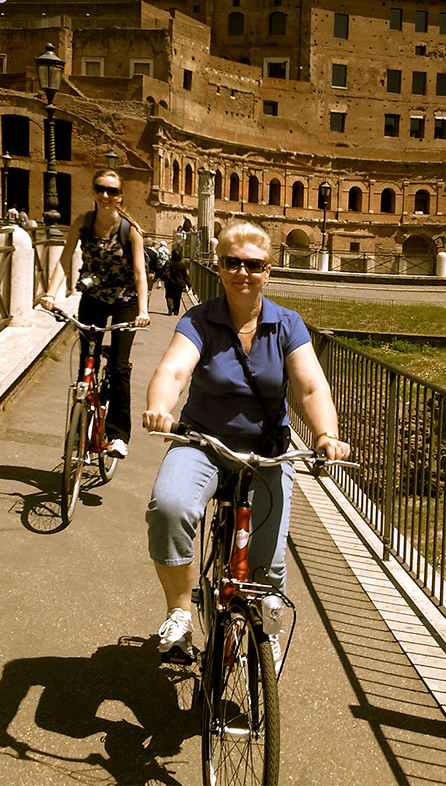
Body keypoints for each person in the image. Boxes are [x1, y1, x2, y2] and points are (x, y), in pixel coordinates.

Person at [143, 220, 349, 660]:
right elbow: (174, 370)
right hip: (202, 442)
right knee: (170, 507)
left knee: (267, 563)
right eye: (232, 263)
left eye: (253, 265)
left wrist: (326, 434)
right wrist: (161, 407)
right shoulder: (200, 320)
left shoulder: (287, 324)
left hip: (267, 453)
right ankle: (179, 613)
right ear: (218, 267)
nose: (242, 272)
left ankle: (264, 633)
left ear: (268, 271)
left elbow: (311, 387)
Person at [41, 168, 150, 459]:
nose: (105, 195)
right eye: (100, 188)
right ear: (93, 191)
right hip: (93, 298)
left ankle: (118, 435)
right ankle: (80, 434)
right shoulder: (82, 223)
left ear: (120, 196)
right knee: (84, 368)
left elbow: (140, 274)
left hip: (125, 301)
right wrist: (51, 294)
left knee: (118, 367)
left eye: (112, 191)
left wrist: (143, 310)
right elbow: (65, 260)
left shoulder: (130, 231)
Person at [162, 249, 191, 315]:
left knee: (169, 296)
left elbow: (163, 271)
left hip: (169, 282)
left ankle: (170, 308)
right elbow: (185, 275)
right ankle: (176, 310)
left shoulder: (169, 262)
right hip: (179, 283)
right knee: (177, 297)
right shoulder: (182, 263)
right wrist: (189, 284)